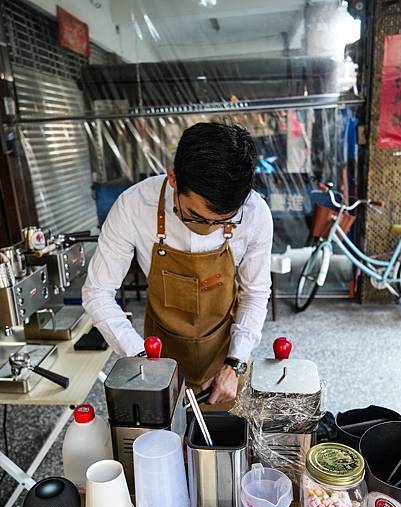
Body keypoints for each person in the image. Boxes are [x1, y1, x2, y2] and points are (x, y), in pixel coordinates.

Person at [82, 122, 273, 405]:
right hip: (157, 353)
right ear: (173, 179)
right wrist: (144, 359)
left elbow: (255, 294)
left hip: (225, 356)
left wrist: (235, 364)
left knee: (224, 439)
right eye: (196, 216)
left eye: (223, 222)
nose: (209, 228)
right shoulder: (134, 206)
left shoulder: (255, 213)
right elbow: (97, 292)